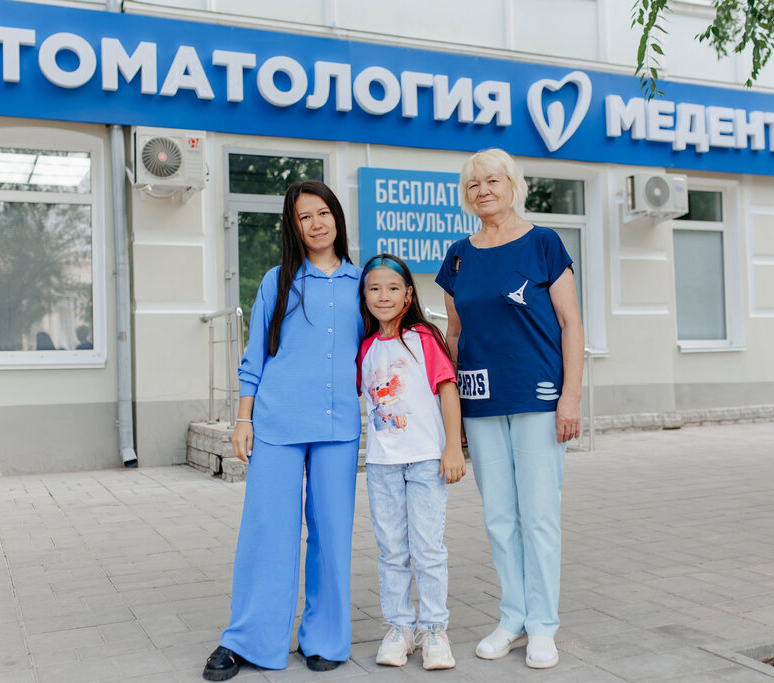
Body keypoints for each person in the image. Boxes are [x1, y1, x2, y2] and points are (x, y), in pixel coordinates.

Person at [203, 180, 363, 681]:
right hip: (276, 423)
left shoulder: (364, 282)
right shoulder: (277, 281)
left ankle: (326, 637)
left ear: (336, 217)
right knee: (267, 531)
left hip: (339, 426)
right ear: (292, 227)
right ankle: (247, 639)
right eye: (303, 217)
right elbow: (256, 355)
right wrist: (243, 418)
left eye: (322, 213)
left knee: (331, 535)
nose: (315, 224)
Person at [435, 148, 584, 670]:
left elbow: (571, 324)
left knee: (539, 516)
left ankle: (543, 625)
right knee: (499, 517)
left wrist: (570, 396)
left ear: (512, 184)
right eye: (473, 184)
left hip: (537, 398)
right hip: (480, 401)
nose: (482, 190)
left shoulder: (544, 243)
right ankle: (513, 617)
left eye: (491, 181)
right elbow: (454, 336)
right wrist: (451, 414)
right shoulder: (458, 257)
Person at [357, 253, 465, 671]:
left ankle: (434, 628)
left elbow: (447, 389)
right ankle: (400, 627)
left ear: (408, 295)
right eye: (374, 288)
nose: (383, 296)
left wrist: (452, 447)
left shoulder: (424, 337)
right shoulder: (366, 348)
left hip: (425, 462)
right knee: (391, 551)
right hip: (382, 465)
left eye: (392, 288)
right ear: (364, 296)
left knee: (428, 548)